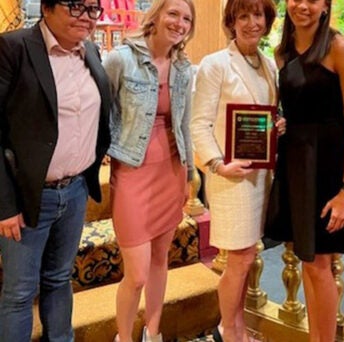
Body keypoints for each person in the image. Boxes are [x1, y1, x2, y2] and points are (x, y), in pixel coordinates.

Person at [0, 0, 111, 340]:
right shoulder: (14, 47)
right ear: (47, 7)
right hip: (29, 195)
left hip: (75, 191)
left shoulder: (90, 51)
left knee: (60, 278)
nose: (86, 17)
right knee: (19, 293)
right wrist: (5, 205)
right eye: (77, 6)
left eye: (93, 9)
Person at [191, 0, 286, 341]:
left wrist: (277, 126)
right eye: (243, 16)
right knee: (240, 259)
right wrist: (217, 165)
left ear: (268, 19)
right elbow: (198, 124)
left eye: (257, 15)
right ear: (231, 21)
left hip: (261, 177)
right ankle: (229, 330)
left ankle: (238, 325)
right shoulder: (215, 64)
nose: (251, 23)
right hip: (230, 179)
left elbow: (265, 116)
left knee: (248, 256)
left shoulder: (268, 65)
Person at [102, 0, 195, 341]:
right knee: (137, 274)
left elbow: (183, 124)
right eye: (173, 14)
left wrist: (189, 176)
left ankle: (152, 334)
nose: (179, 23)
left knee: (160, 261)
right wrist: (108, 151)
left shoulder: (185, 68)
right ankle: (123, 337)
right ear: (155, 16)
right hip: (132, 174)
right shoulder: (120, 60)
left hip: (171, 172)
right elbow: (103, 111)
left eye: (186, 18)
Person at [264, 0, 344, 341]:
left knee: (320, 266)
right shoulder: (281, 52)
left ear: (325, 6)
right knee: (308, 262)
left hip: (329, 168)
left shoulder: (338, 48)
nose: (304, 5)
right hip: (296, 163)